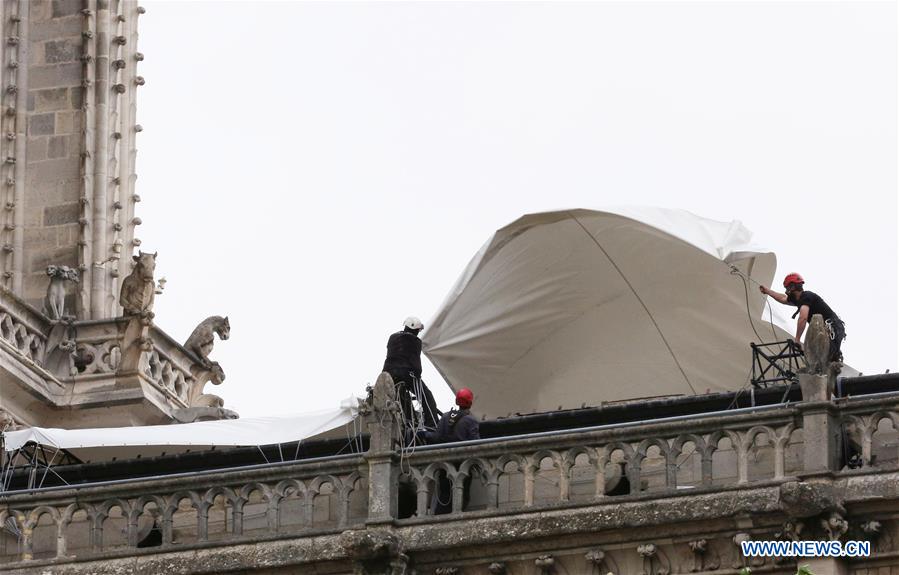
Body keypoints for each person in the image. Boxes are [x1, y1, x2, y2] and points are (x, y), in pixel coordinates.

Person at [759, 273, 845, 362]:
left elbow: (803, 317)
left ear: (792, 287)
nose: (786, 291)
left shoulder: (806, 296)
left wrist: (797, 339)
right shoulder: (798, 299)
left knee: (826, 355)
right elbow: (783, 298)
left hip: (833, 327)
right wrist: (768, 291)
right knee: (819, 356)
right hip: (827, 328)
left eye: (787, 288)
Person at [425, 388, 480, 515]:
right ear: (470, 403)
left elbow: (436, 438)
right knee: (462, 495)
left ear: (456, 401)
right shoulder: (471, 421)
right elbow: (476, 443)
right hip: (462, 465)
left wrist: (424, 434)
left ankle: (441, 518)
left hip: (445, 464)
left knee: (445, 495)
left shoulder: (445, 417)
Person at [383, 316, 441, 430]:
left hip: (388, 375)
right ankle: (432, 424)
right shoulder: (416, 341)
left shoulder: (392, 337)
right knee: (427, 396)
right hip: (407, 374)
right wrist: (418, 376)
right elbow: (416, 362)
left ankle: (407, 422)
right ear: (415, 330)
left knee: (401, 397)